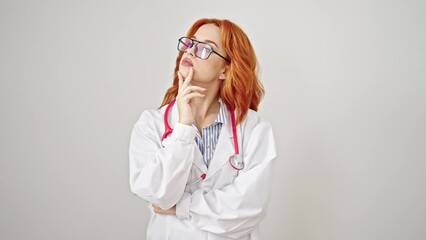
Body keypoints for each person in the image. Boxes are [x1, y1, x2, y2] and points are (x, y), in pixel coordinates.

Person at [129, 18, 277, 240]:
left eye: (205, 48)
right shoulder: (151, 123)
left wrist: (182, 207)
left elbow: (248, 208)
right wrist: (183, 128)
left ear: (225, 71)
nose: (190, 52)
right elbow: (159, 195)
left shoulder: (254, 128)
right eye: (190, 43)